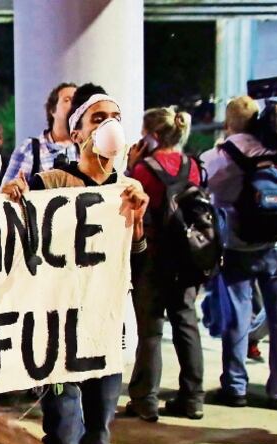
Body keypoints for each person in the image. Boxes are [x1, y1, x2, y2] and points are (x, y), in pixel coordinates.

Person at [2, 83, 148, 444]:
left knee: (98, 438)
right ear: (78, 129)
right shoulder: (50, 180)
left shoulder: (128, 189)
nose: (110, 123)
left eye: (117, 114)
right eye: (99, 116)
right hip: (62, 335)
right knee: (62, 434)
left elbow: (138, 261)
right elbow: (11, 238)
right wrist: (12, 199)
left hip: (106, 329)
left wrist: (140, 219)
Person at [201, 96, 277, 410]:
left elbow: (203, 192)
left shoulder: (217, 156)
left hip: (238, 246)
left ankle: (235, 388)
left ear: (229, 122)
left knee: (237, 317)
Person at [122, 107, 206, 421]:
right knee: (187, 324)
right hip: (186, 256)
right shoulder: (192, 165)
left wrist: (130, 166)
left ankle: (145, 400)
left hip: (154, 256)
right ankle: (193, 398)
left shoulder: (144, 169)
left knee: (151, 330)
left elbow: (131, 201)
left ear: (153, 136)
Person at [2, 82, 79, 185]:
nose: (74, 105)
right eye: (67, 100)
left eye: (77, 102)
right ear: (52, 110)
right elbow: (5, 195)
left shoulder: (86, 149)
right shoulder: (29, 148)